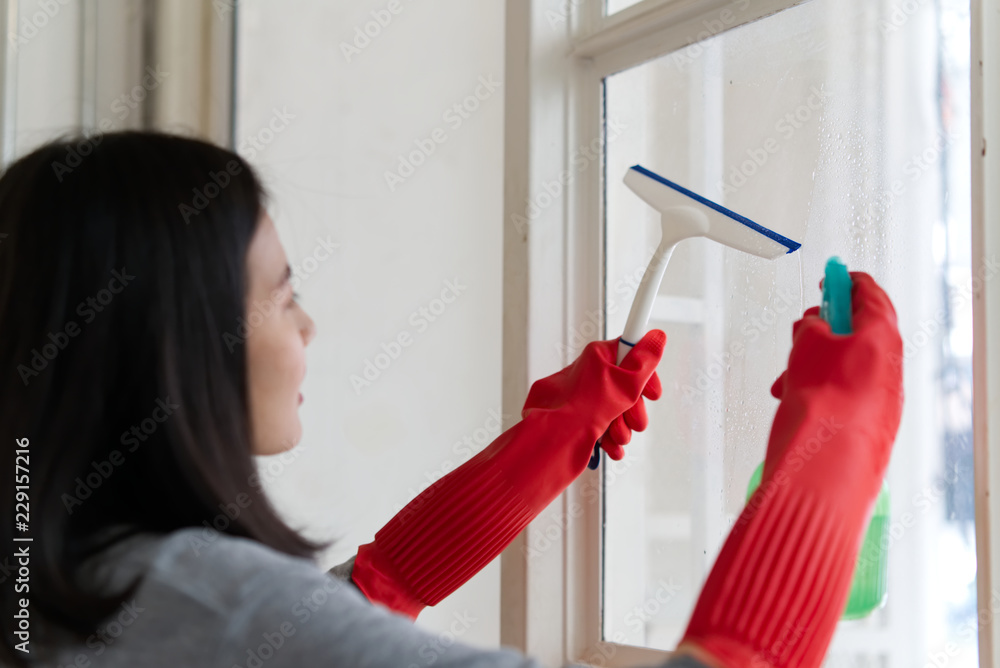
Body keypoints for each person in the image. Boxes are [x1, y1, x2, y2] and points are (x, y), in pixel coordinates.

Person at [0, 131, 903, 668]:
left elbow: (340, 618)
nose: (307, 326)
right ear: (175, 339)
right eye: (283, 291)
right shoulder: (203, 597)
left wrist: (537, 450)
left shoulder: (67, 582)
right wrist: (833, 458)